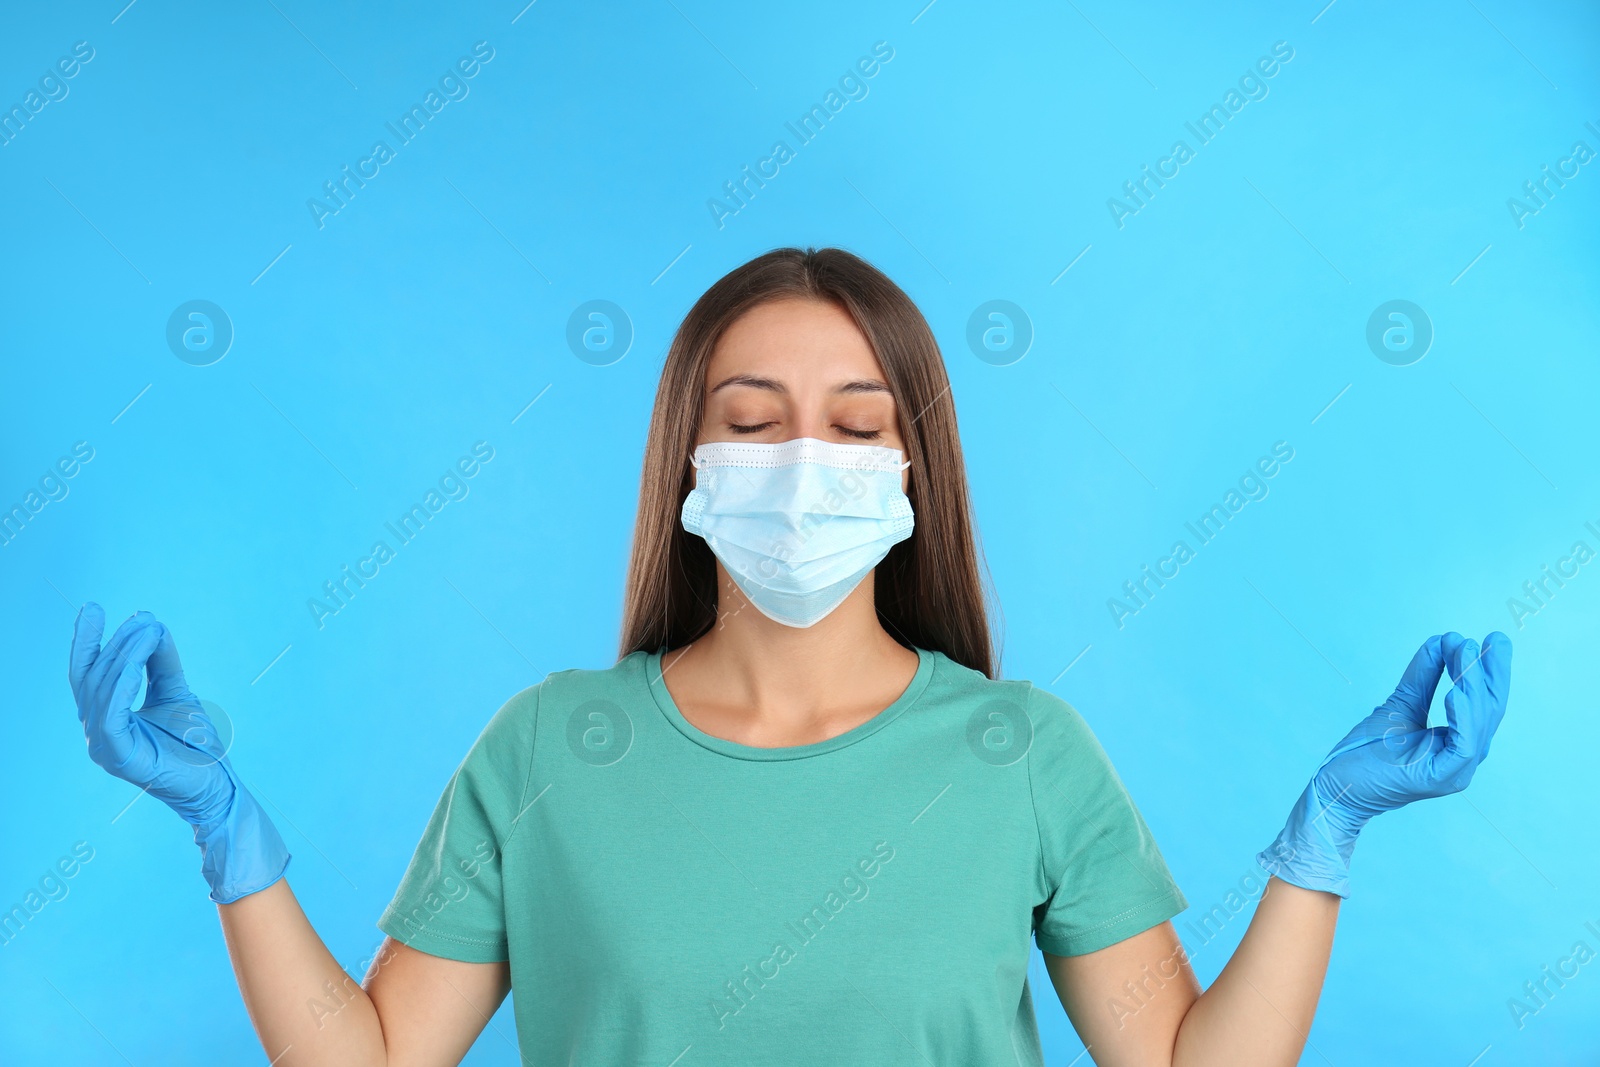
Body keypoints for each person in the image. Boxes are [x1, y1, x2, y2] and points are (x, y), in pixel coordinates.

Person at [68, 247, 1512, 1066]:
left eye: (856, 421)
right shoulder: (549, 749)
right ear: (687, 464)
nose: (802, 462)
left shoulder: (1021, 754)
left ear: (911, 469)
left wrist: (1321, 844)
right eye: (753, 425)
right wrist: (232, 841)